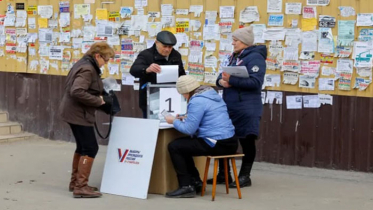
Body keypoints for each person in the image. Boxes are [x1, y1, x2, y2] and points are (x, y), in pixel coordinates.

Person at [210, 26, 267, 188]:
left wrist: (232, 81)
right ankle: (223, 174)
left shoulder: (255, 58)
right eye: (233, 40)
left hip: (247, 107)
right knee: (226, 139)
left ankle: (244, 176)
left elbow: (256, 83)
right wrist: (221, 82)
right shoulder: (234, 56)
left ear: (245, 42)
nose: (233, 43)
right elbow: (222, 76)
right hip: (230, 105)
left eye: (236, 40)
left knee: (247, 141)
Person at [164, 75, 238, 198]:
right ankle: (196, 182)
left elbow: (188, 129)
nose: (183, 97)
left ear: (186, 92)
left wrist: (173, 121)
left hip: (217, 143)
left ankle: (186, 186)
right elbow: (209, 116)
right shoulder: (211, 95)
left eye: (183, 94)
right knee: (185, 146)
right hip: (230, 141)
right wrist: (186, 116)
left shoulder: (196, 100)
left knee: (175, 146)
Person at [59, 42, 114, 198]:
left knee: (83, 146)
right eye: (106, 59)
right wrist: (99, 101)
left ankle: (75, 182)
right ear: (97, 56)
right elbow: (77, 91)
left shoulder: (84, 64)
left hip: (73, 112)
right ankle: (81, 187)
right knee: (90, 148)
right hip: (78, 113)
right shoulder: (88, 69)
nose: (106, 63)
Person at [130, 31, 186, 118]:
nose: (167, 49)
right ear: (156, 42)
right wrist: (147, 69)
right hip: (151, 99)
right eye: (164, 46)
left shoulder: (176, 55)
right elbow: (133, 70)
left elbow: (181, 74)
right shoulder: (146, 55)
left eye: (170, 47)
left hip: (171, 97)